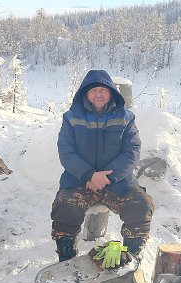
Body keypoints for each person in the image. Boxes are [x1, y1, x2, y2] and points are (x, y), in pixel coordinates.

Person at [51, 69, 154, 262]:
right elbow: (66, 152)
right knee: (64, 207)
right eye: (94, 90)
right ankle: (66, 257)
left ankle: (131, 256)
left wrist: (107, 177)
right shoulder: (71, 117)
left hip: (118, 182)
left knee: (141, 206)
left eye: (103, 90)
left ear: (111, 93)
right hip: (80, 181)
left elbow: (132, 151)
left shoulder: (126, 118)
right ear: (85, 93)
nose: (99, 94)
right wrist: (89, 175)